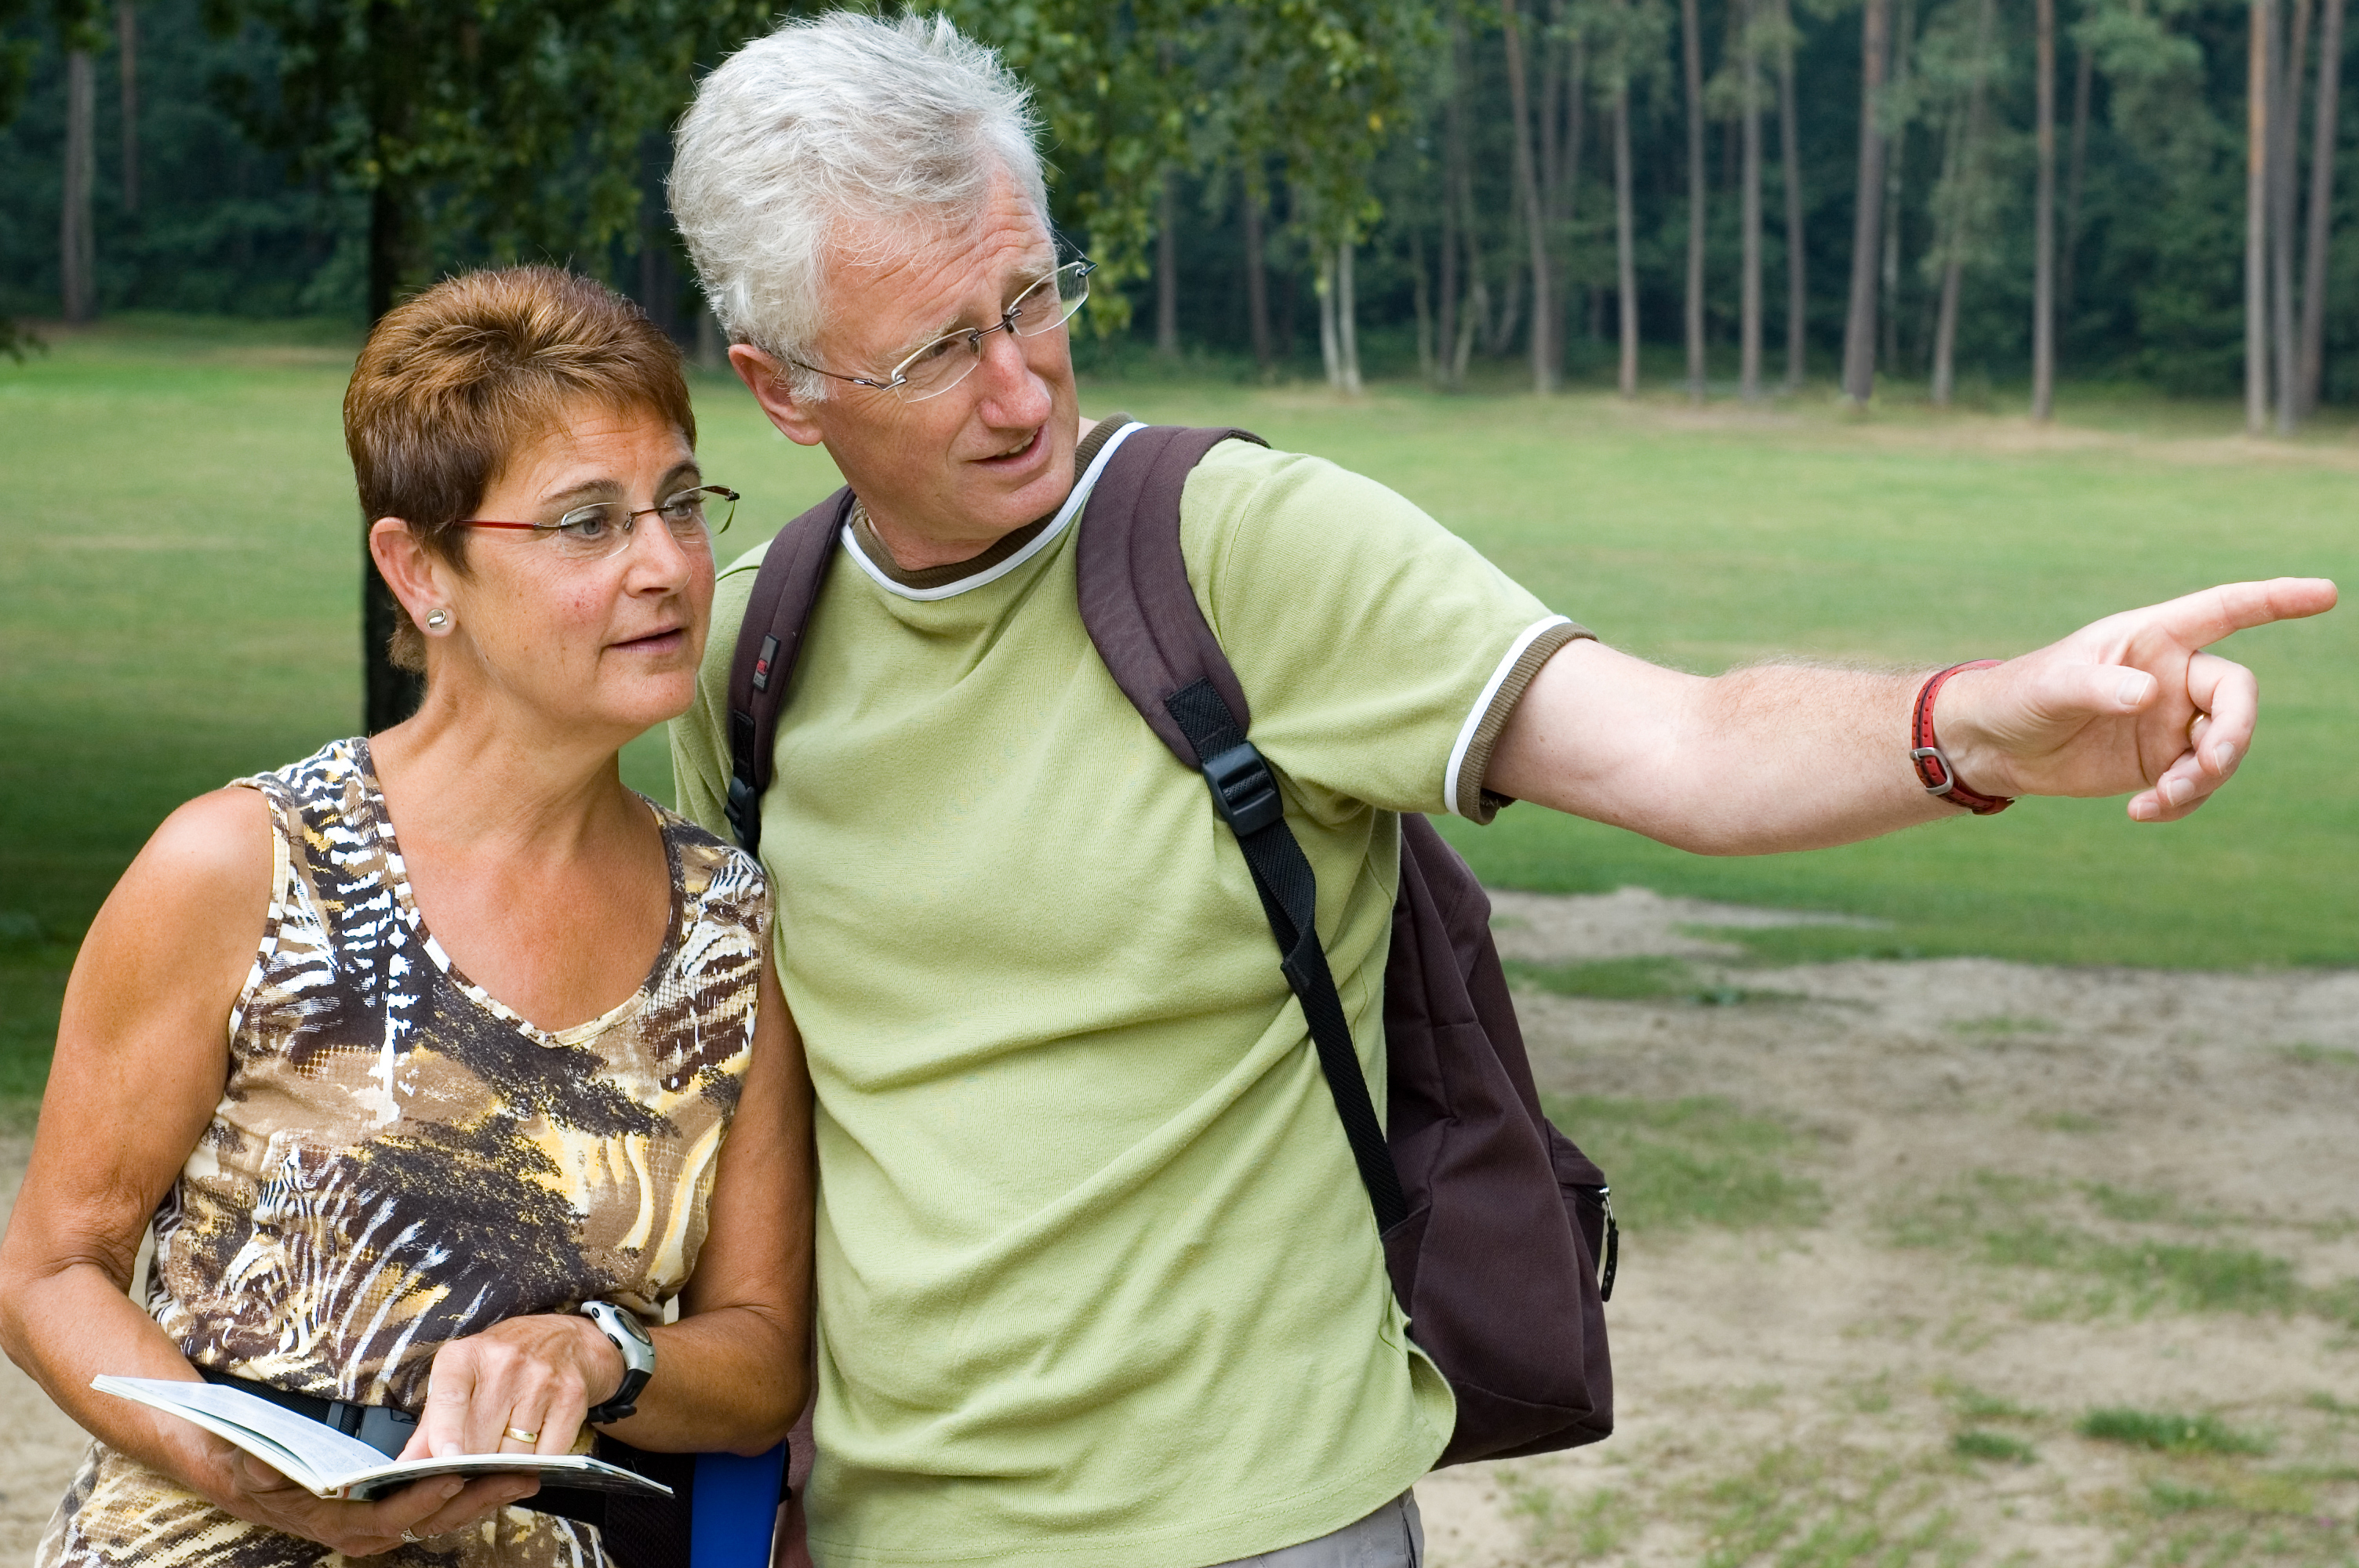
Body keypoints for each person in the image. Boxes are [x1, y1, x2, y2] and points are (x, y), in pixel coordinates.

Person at [665, 15, 2336, 1568]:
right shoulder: (754, 651)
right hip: (887, 1529)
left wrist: (1968, 725)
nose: (1023, 383)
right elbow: (749, 1107)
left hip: (1257, 1516)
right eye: (942, 350)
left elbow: (1678, 748)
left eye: (1034, 298)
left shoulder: (1235, 546)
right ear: (783, 389)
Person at [0, 267, 812, 1567]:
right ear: (420, 568)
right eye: (587, 525)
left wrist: (603, 1351)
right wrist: (225, 1458)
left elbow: (764, 1351)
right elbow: (49, 1273)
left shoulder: (732, 932)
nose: (665, 565)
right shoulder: (242, 865)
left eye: (677, 504)